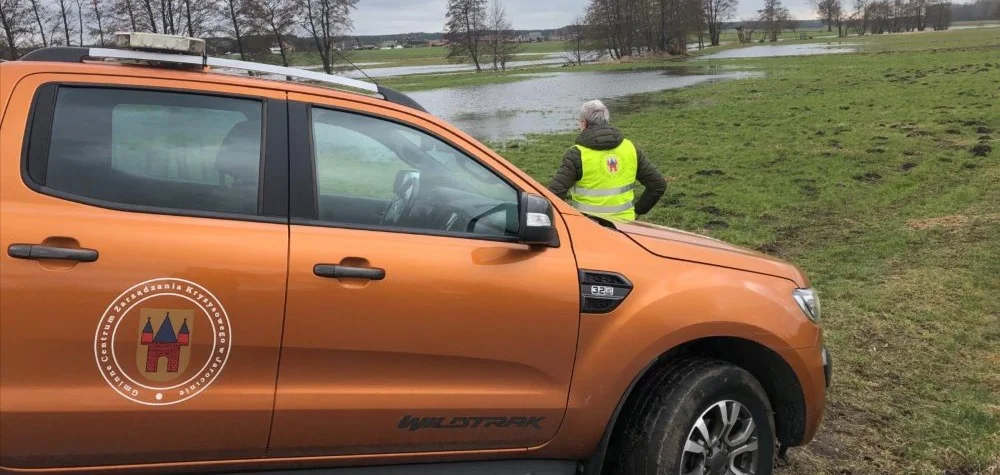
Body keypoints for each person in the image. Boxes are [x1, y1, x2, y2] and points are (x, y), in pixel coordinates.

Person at [548, 100, 667, 222]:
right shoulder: (630, 148)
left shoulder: (576, 154)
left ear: (584, 123)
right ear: (606, 120)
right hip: (626, 226)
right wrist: (638, 211)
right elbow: (658, 184)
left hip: (587, 227)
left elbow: (554, 195)